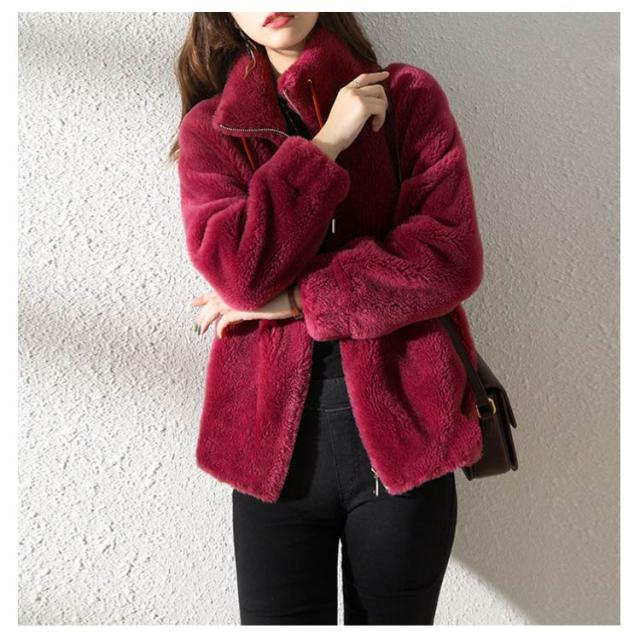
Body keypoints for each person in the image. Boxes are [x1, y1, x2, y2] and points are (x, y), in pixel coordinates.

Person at [170, 12, 484, 625]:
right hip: (269, 454)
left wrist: (297, 299)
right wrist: (326, 145)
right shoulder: (213, 129)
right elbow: (240, 275)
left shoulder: (408, 97)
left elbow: (449, 261)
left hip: (405, 436)